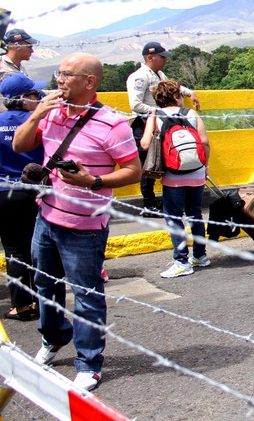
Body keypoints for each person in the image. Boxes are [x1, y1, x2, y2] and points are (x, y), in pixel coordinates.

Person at [13, 53, 141, 392]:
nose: (60, 80)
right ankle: (53, 338)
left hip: (85, 226)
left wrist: (93, 183)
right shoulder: (51, 112)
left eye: (67, 74)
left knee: (86, 294)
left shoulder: (112, 123)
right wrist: (37, 114)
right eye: (59, 73)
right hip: (47, 216)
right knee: (45, 285)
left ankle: (89, 362)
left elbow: (133, 171)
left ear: (90, 82)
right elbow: (20, 144)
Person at [139, 80, 212, 278]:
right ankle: (200, 256)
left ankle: (181, 261)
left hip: (173, 176)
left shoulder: (156, 115)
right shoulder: (191, 114)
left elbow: (145, 144)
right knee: (195, 215)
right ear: (175, 96)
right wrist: (204, 167)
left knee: (174, 219)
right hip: (196, 173)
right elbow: (204, 142)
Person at [126, 42, 200, 216]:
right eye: (162, 57)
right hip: (146, 123)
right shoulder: (139, 77)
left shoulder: (158, 73)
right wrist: (158, 112)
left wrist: (189, 92)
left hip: (160, 122)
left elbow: (170, 87)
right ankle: (148, 204)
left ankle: (158, 202)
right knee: (148, 165)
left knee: (162, 161)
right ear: (151, 57)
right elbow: (135, 104)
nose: (165, 59)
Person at [0, 73, 44, 320]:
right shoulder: (37, 122)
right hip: (35, 192)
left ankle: (21, 305)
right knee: (38, 248)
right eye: (35, 95)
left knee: (14, 250)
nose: (38, 99)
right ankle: (42, 301)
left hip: (4, 193)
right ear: (23, 98)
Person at [0, 29, 40, 113]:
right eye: (29, 46)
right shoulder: (1, 65)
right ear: (17, 45)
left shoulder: (21, 68)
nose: (32, 51)